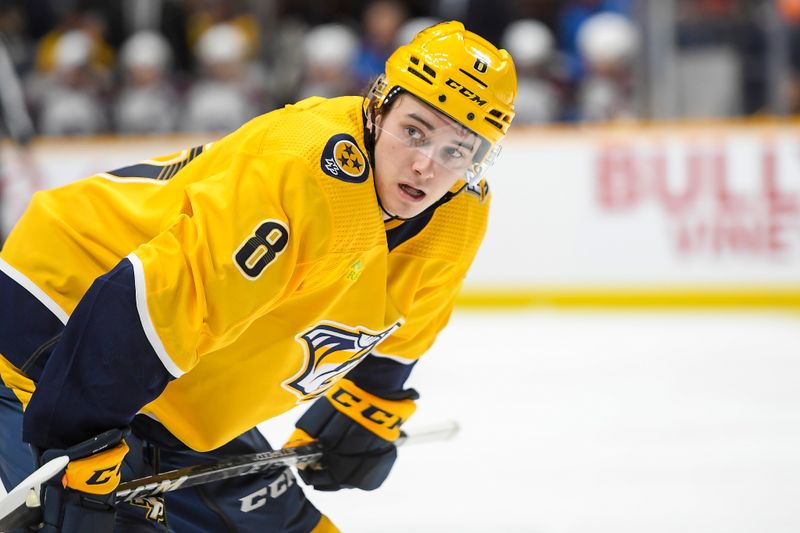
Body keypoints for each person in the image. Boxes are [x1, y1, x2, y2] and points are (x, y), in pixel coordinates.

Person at [0, 20, 516, 532]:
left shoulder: (459, 212)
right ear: (379, 108)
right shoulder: (305, 171)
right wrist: (80, 445)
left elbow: (412, 317)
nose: (427, 165)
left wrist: (371, 403)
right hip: (63, 321)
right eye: (414, 131)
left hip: (175, 382)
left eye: (456, 150)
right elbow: (153, 299)